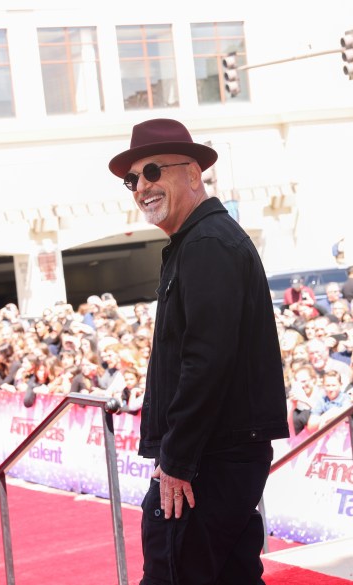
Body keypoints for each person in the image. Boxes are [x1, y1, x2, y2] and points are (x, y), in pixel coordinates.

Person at [108, 117, 288, 584]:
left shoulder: (207, 244)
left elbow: (206, 361)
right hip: (220, 454)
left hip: (210, 458)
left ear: (192, 173)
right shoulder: (197, 243)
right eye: (132, 179)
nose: (141, 187)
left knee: (173, 571)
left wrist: (177, 460)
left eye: (152, 172)